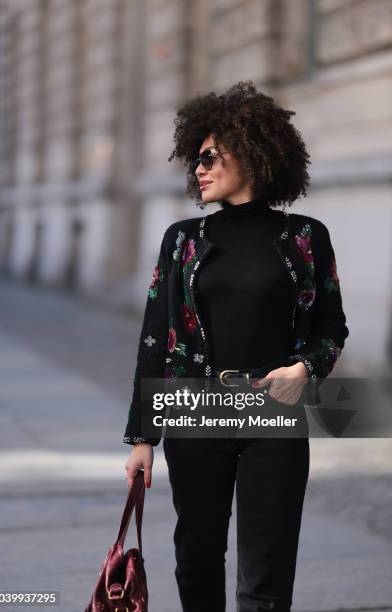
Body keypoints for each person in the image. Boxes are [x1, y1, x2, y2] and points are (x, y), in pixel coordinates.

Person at [123, 81, 349, 611]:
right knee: (196, 555)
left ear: (251, 155)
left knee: (267, 565)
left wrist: (305, 371)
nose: (197, 170)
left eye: (209, 157)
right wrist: (142, 437)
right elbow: (155, 335)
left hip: (272, 409)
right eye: (194, 159)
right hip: (195, 410)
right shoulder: (183, 239)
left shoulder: (305, 237)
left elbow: (331, 327)